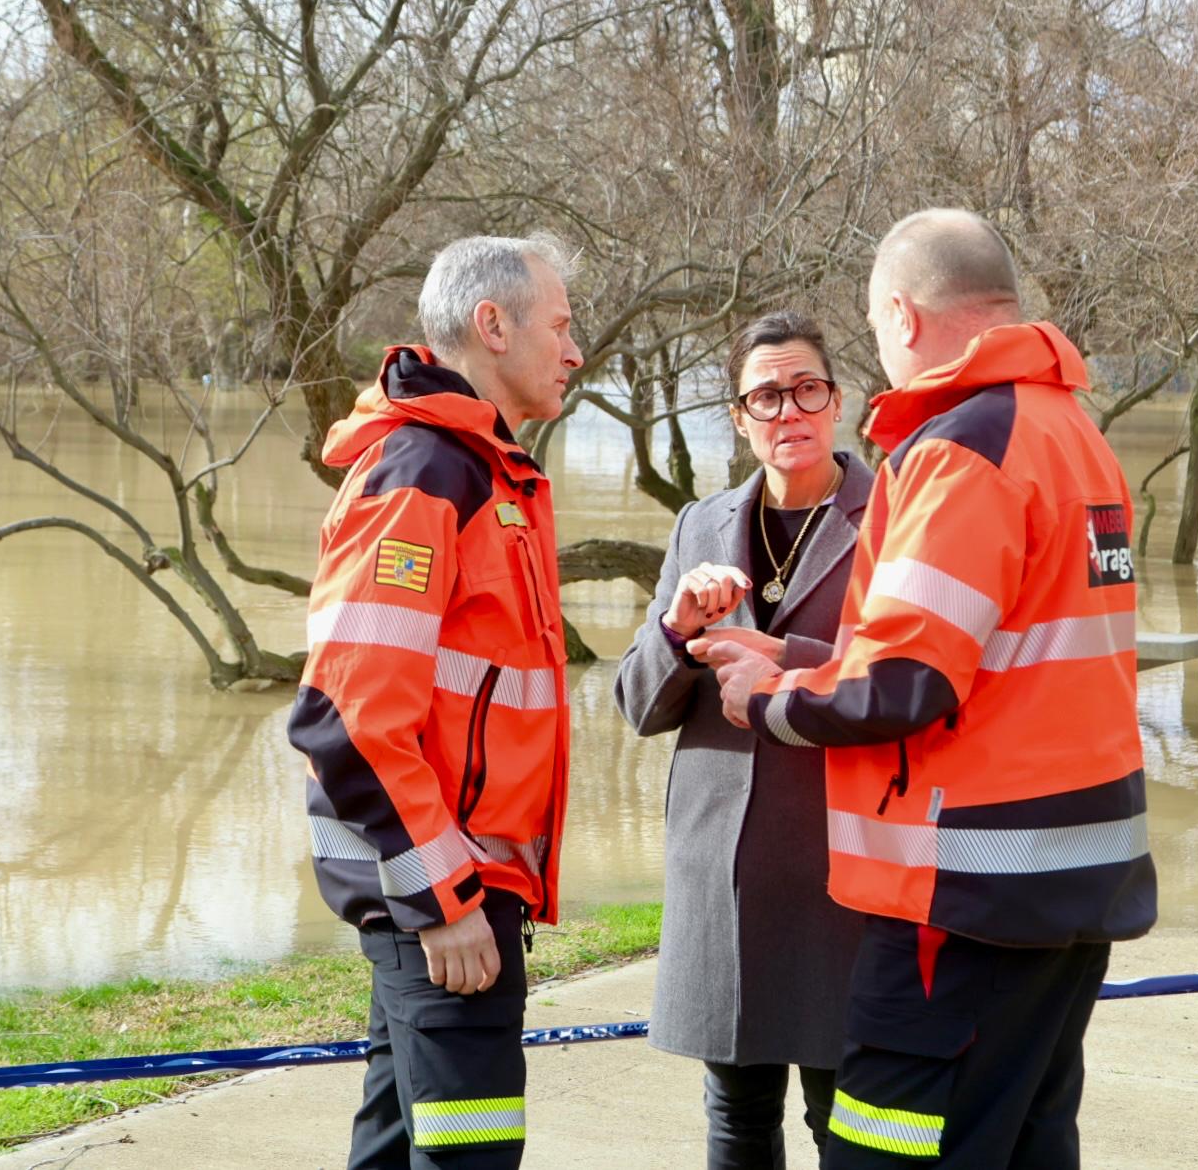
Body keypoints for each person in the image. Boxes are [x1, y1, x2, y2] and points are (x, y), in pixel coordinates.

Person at [697, 210, 1155, 1169]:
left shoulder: (957, 451)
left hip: (962, 896)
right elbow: (993, 661)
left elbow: (906, 682)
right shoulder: (1072, 433)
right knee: (1025, 1139)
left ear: (901, 317)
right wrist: (798, 663)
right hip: (1072, 882)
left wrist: (768, 703)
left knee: (885, 1148)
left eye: (871, 331)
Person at [286, 233, 583, 1170]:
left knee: (395, 1148)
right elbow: (344, 714)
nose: (575, 351)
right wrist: (443, 898)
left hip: (457, 889)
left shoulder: (483, 472)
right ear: (491, 326)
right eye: (561, 325)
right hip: (448, 897)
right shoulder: (427, 474)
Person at [614, 311, 871, 1170]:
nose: (787, 410)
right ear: (737, 414)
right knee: (735, 1121)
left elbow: (919, 679)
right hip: (721, 874)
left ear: (836, 402)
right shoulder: (698, 523)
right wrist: (675, 630)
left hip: (844, 872)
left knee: (853, 1127)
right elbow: (639, 706)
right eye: (765, 394)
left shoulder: (895, 515)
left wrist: (783, 658)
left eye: (806, 389)